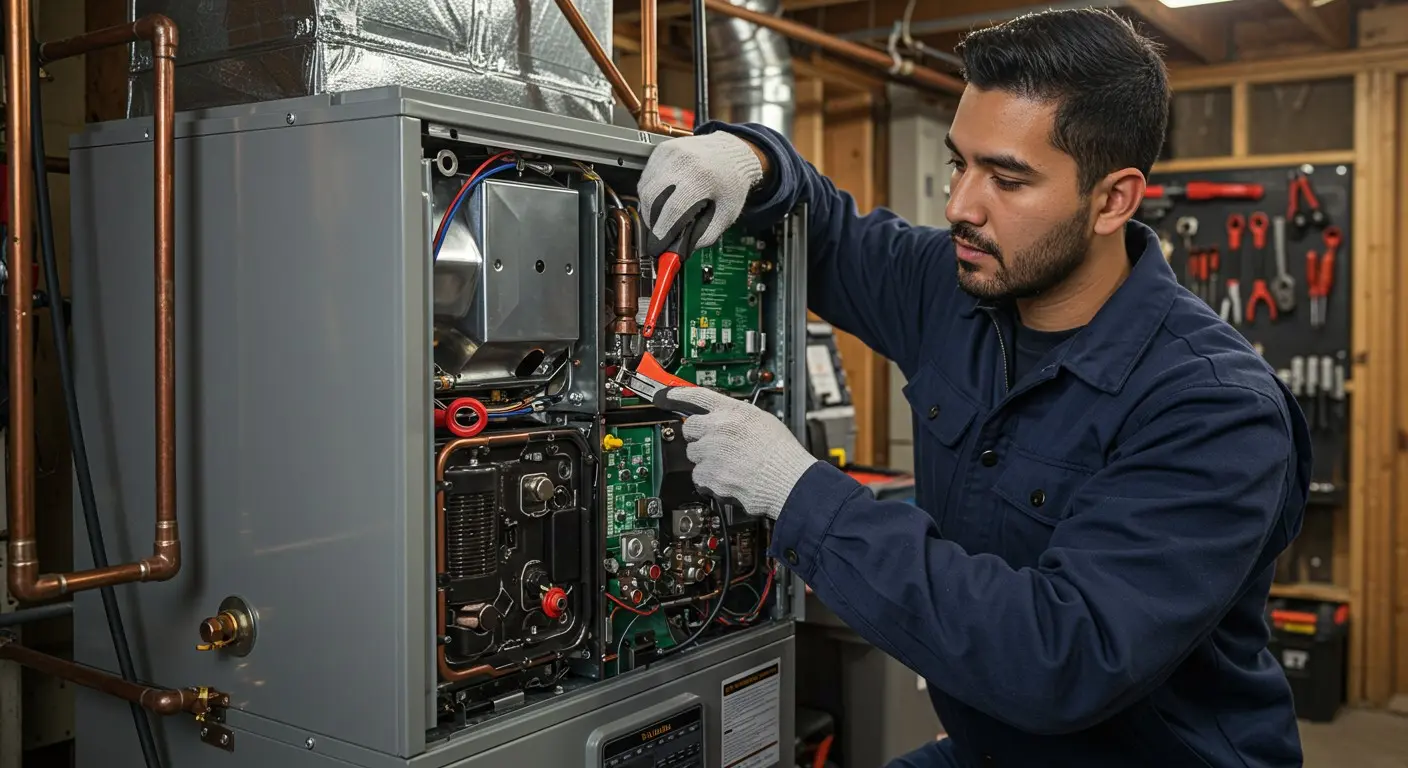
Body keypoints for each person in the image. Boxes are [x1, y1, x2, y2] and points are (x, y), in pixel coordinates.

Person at [637, 8, 1311, 768]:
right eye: (961, 163)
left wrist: (799, 493)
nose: (960, 204)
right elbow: (825, 229)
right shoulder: (956, 286)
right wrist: (753, 159)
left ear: (1114, 200)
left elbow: (1062, 657)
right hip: (996, 745)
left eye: (1007, 178)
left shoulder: (1214, 409)